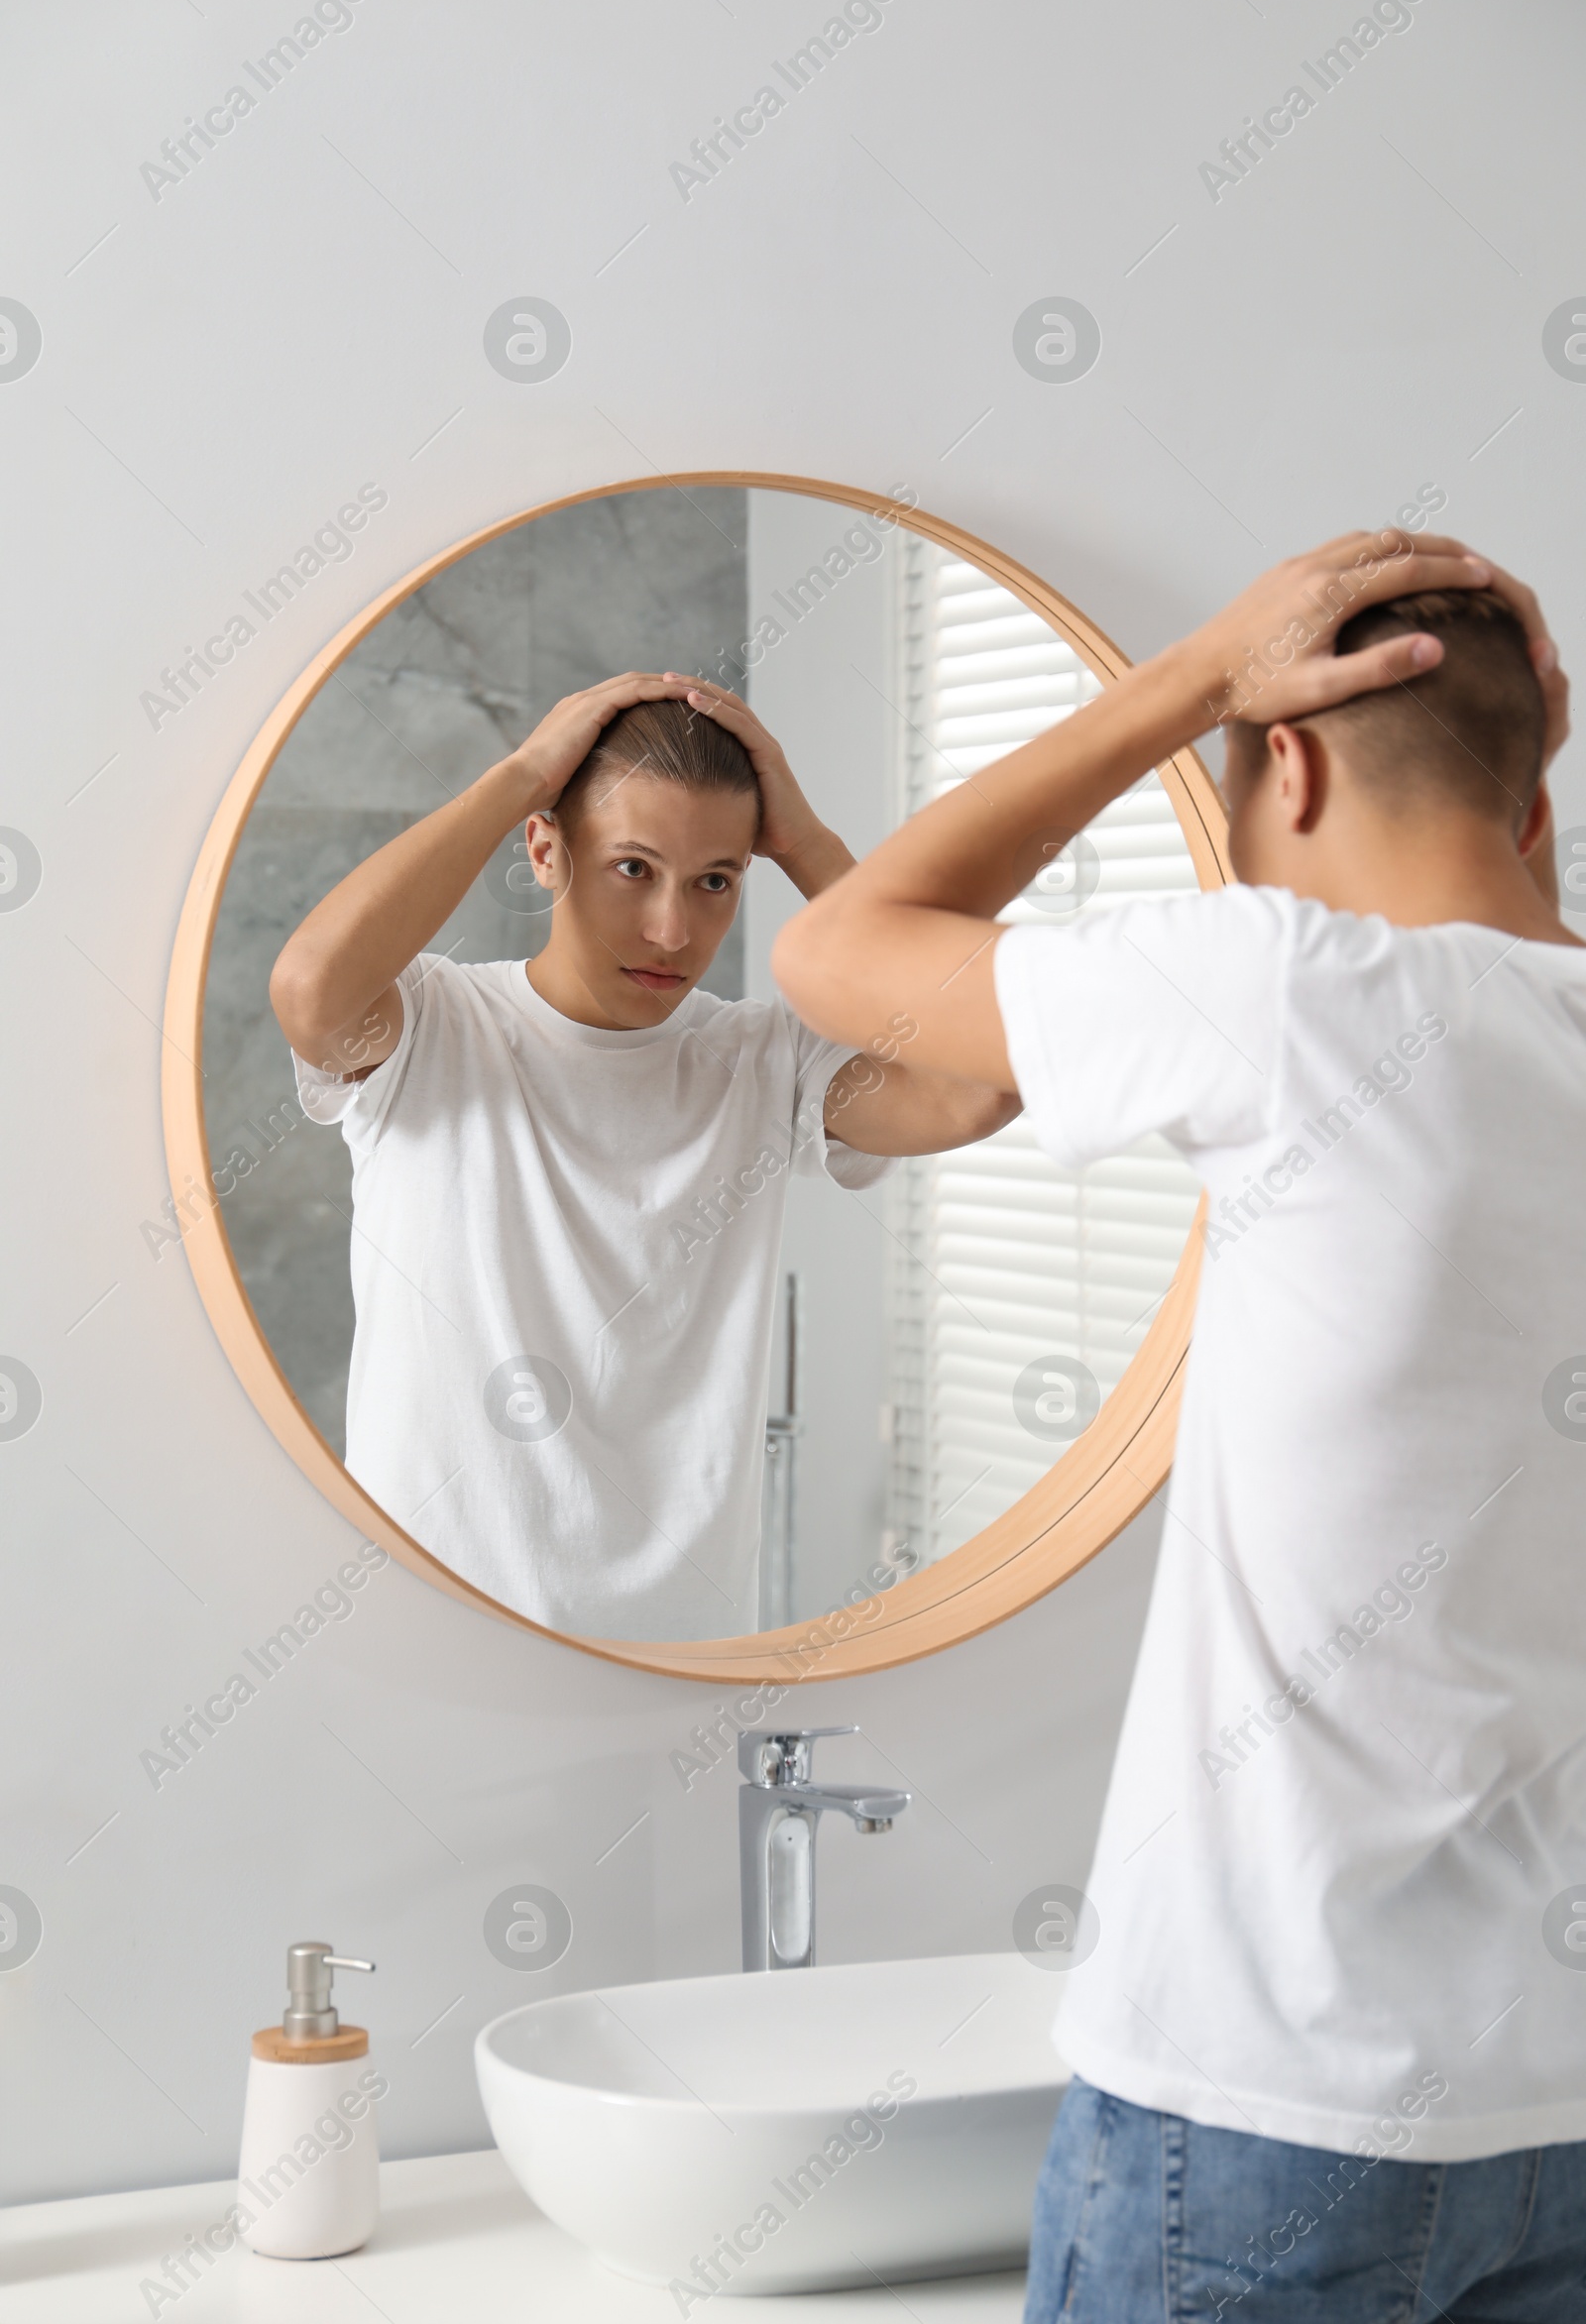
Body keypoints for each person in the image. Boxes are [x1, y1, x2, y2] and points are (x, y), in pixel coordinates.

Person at [773, 530, 1586, 2316]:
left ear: (1283, 759)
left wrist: (1200, 668)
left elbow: (841, 951)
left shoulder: (1304, 993)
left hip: (1271, 2104)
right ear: (1540, 777)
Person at [270, 674, 1016, 1640]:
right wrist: (524, 774)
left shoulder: (762, 1063)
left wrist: (810, 846)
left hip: (671, 1674)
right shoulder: (430, 1029)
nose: (674, 930)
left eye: (715, 881)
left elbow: (981, 1082)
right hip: (421, 1647)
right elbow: (309, 987)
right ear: (545, 850)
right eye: (633, 868)